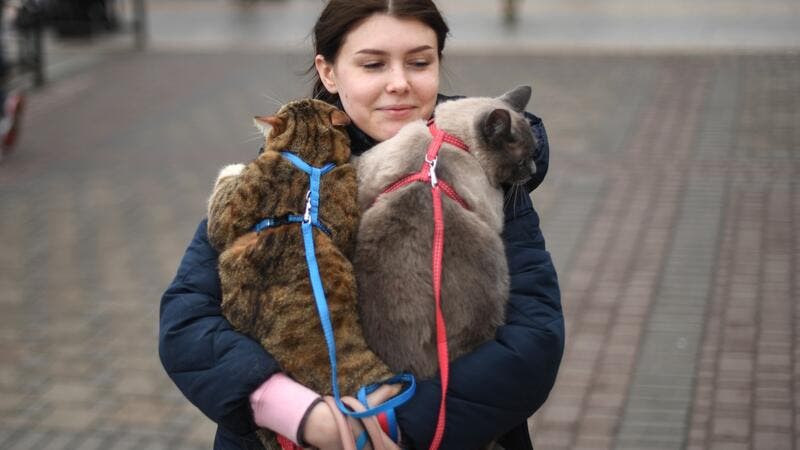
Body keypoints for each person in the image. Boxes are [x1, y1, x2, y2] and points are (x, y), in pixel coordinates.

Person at [159, 1, 564, 449]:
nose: (399, 83)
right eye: (373, 64)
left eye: (420, 62)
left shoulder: (486, 173)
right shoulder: (281, 172)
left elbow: (533, 342)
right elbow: (187, 321)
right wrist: (292, 411)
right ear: (329, 72)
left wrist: (400, 421)